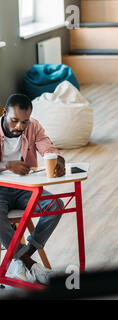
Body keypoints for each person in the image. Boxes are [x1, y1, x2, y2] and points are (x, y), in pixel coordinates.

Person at [1, 93, 65, 284]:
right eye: (14, 121)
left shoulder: (33, 126)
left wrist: (58, 161)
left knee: (55, 205)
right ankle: (30, 264)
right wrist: (8, 165)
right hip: (1, 189)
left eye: (24, 122)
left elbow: (49, 149)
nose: (19, 127)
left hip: (26, 188)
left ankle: (22, 259)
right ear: (5, 113)